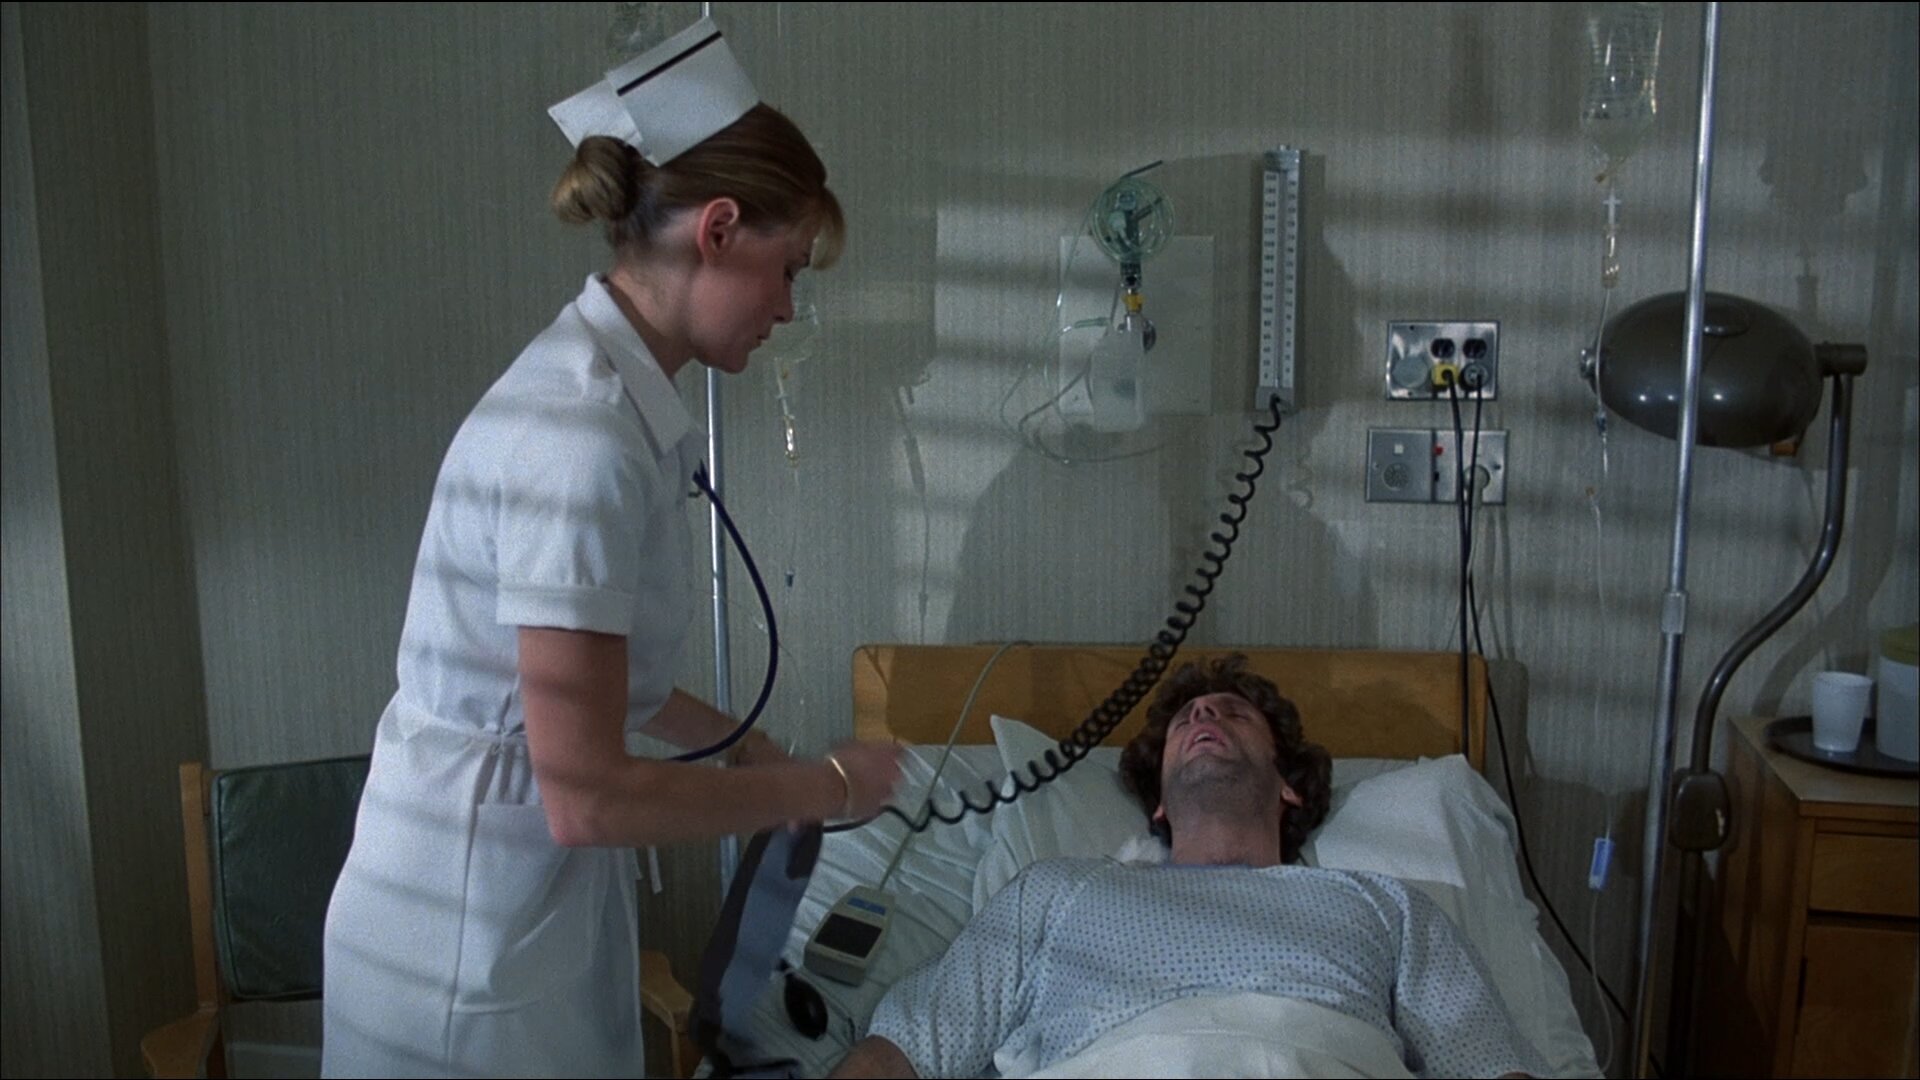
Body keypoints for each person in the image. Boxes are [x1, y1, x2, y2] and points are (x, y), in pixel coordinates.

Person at [321, 26, 902, 1079]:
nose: (786, 307)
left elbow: (592, 677)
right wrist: (820, 788)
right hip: (461, 938)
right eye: (786, 270)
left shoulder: (612, 406)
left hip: (513, 894)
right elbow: (588, 796)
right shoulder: (578, 439)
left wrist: (743, 748)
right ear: (718, 231)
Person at [829, 655, 1544, 1080]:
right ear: (1160, 805)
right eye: (1185, 721)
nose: (1204, 715)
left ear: (1290, 786)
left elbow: (1487, 1064)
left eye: (1232, 714)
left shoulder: (1382, 907)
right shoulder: (1057, 890)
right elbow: (908, 1049)